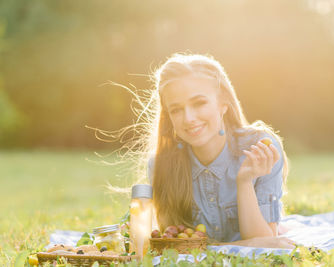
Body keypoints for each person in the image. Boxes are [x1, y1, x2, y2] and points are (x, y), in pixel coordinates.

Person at [119, 53, 293, 249]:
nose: (189, 118)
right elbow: (174, 245)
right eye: (176, 110)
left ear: (223, 104)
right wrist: (239, 245)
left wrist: (244, 182)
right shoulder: (161, 165)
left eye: (199, 103)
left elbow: (264, 244)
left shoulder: (260, 148)